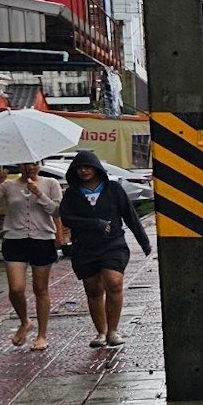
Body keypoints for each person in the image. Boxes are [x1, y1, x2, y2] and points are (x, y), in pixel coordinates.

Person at [56, 149, 151, 349]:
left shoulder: (114, 189)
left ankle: (114, 331)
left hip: (113, 244)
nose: (83, 171)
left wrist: (144, 242)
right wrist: (94, 224)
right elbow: (65, 217)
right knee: (93, 289)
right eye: (79, 168)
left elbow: (130, 216)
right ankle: (101, 332)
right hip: (85, 247)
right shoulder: (73, 193)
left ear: (97, 168)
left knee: (114, 282)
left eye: (87, 167)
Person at [0, 162, 65, 351]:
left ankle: (42, 335)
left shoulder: (50, 183)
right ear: (19, 166)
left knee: (41, 289)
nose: (30, 168)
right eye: (26, 165)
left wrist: (39, 194)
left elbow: (57, 211)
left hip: (42, 239)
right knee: (16, 288)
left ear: (40, 164)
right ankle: (25, 321)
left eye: (34, 164)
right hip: (15, 240)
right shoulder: (8, 186)